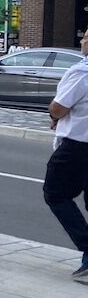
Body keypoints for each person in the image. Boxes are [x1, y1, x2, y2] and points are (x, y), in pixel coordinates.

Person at [44, 30, 88, 279]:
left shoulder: (81, 73)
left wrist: (54, 116)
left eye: (86, 36)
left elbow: (59, 107)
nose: (81, 40)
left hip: (77, 146)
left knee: (55, 194)